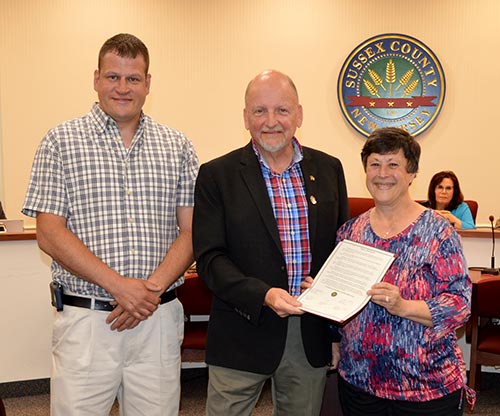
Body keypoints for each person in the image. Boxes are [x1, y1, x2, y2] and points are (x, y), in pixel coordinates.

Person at [22, 33, 198, 415]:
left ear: (148, 83)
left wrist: (147, 292)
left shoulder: (178, 146)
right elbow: (50, 234)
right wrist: (120, 287)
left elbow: (192, 231)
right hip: (86, 324)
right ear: (96, 78)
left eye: (133, 78)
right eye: (113, 76)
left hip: (157, 319)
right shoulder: (60, 141)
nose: (122, 87)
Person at [192, 69, 349, 416]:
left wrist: (336, 334)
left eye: (282, 110)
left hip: (309, 334)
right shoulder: (217, 175)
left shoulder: (329, 169)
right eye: (260, 111)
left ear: (299, 115)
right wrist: (262, 294)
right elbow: (210, 258)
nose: (271, 121)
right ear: (245, 117)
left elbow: (340, 256)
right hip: (241, 328)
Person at [322, 127, 472, 415]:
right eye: (374, 164)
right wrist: (321, 293)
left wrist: (403, 306)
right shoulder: (350, 233)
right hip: (360, 384)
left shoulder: (438, 232)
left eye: (393, 164)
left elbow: (460, 306)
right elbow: (340, 306)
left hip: (426, 388)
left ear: (412, 173)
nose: (382, 173)